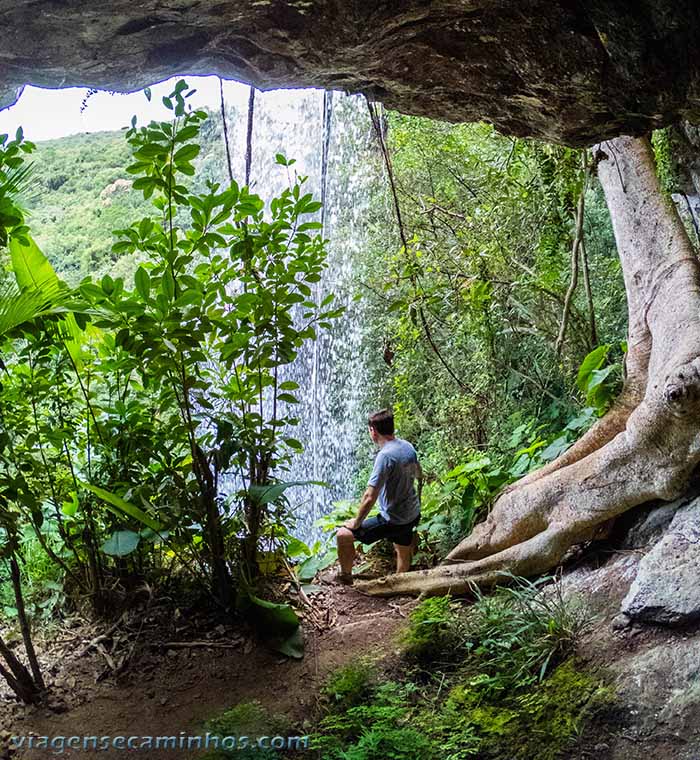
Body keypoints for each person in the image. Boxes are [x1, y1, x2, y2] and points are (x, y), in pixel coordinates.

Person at [335, 409, 422, 585]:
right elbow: (418, 474)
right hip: (412, 513)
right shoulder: (407, 446)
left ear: (373, 431)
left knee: (343, 535)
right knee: (402, 548)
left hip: (392, 518)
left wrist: (356, 523)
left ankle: (345, 577)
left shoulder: (385, 456)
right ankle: (400, 583)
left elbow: (369, 497)